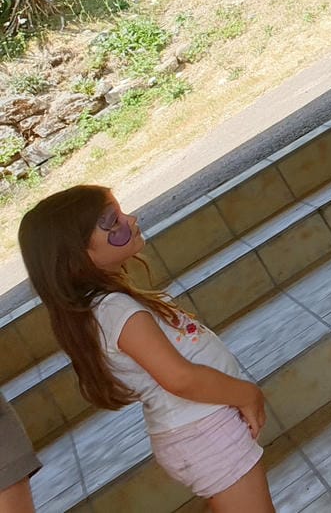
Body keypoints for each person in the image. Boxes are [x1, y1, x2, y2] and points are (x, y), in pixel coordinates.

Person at [20, 187, 269, 511]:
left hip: (197, 428)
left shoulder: (106, 307)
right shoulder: (114, 310)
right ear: (76, 255)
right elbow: (180, 378)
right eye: (112, 221)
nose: (131, 219)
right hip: (204, 430)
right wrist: (246, 394)